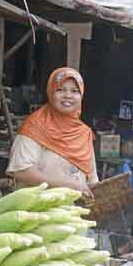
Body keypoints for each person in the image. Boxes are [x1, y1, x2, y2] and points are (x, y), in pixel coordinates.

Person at [6, 67, 98, 197]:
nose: (68, 95)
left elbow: (92, 180)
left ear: (81, 95)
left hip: (72, 212)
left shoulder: (84, 133)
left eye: (74, 91)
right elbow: (21, 170)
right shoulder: (35, 126)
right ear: (51, 92)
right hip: (36, 211)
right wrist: (69, 184)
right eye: (60, 89)